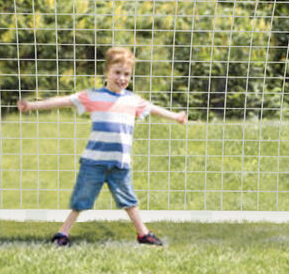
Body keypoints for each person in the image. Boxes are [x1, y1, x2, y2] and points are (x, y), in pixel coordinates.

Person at [17, 47, 187, 247]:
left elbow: (154, 109)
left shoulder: (133, 101)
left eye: (126, 74)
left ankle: (143, 234)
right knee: (81, 199)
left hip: (119, 163)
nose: (121, 78)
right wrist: (32, 106)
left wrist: (176, 117)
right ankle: (63, 234)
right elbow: (63, 101)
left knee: (129, 200)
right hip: (94, 161)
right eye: (117, 72)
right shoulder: (93, 96)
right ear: (106, 71)